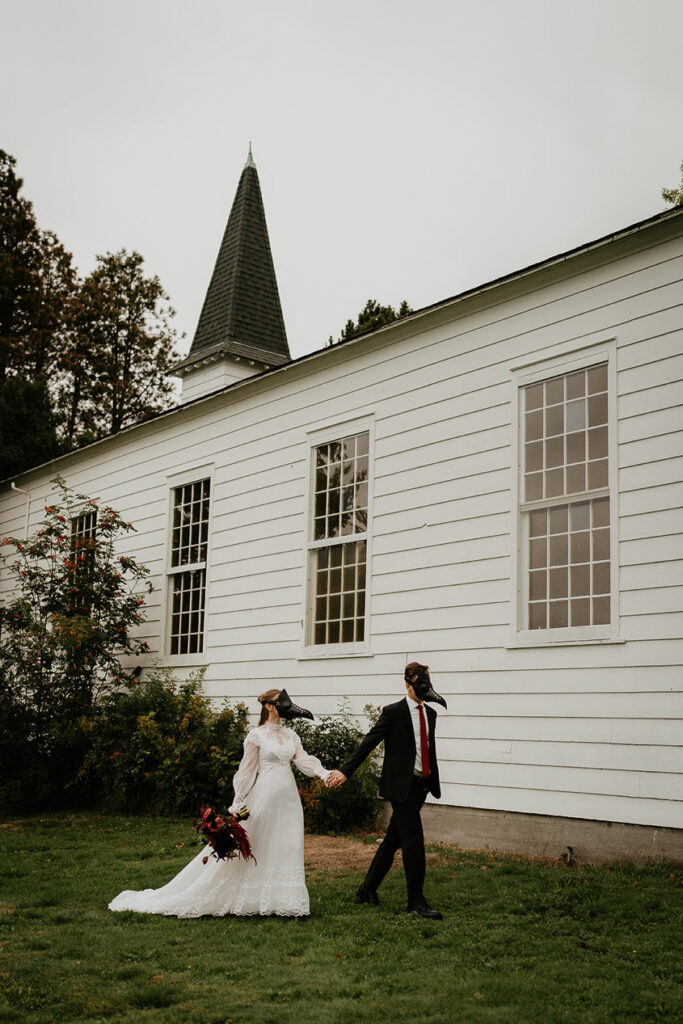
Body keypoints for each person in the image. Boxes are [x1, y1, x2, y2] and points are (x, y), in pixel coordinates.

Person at [108, 689, 331, 918]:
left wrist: (324, 774)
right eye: (280, 702)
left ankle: (284, 901)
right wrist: (237, 801)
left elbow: (303, 761)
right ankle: (247, 896)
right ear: (269, 706)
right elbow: (246, 772)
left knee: (286, 844)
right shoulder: (256, 735)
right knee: (258, 844)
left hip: (288, 800)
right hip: (264, 796)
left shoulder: (291, 735)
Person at [327, 662, 446, 919]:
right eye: (418, 682)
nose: (424, 686)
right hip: (400, 788)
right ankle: (416, 902)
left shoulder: (431, 714)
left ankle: (367, 888)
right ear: (407, 683)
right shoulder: (393, 712)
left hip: (420, 787)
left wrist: (429, 780)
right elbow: (369, 742)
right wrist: (345, 771)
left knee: (394, 839)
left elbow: (427, 750)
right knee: (413, 841)